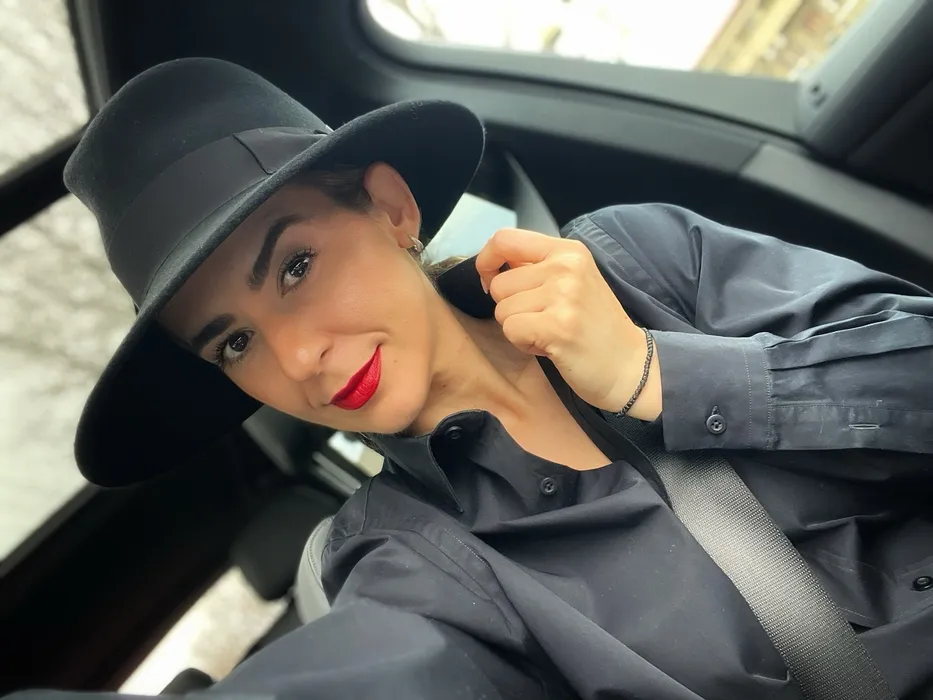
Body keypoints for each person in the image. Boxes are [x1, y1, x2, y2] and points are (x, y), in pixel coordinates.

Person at [18, 57, 933, 700]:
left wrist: (658, 375)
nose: (295, 360)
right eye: (232, 344)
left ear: (390, 209)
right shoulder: (402, 560)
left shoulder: (640, 262)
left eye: (294, 267)